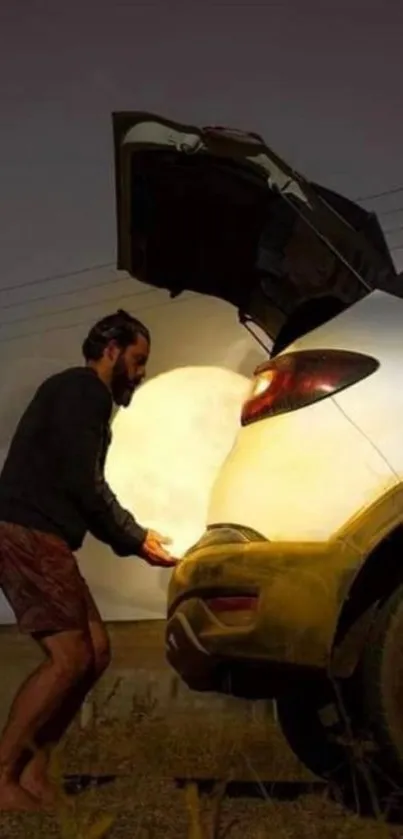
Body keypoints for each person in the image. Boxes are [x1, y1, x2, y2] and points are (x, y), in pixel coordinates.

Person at [0, 309, 177, 812]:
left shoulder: (83, 397)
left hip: (46, 533)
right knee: (70, 657)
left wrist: (132, 537)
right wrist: (137, 538)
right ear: (112, 350)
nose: (141, 374)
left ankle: (33, 773)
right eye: (138, 361)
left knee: (95, 652)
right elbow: (85, 485)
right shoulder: (84, 392)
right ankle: (2, 775)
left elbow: (80, 486)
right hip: (27, 530)